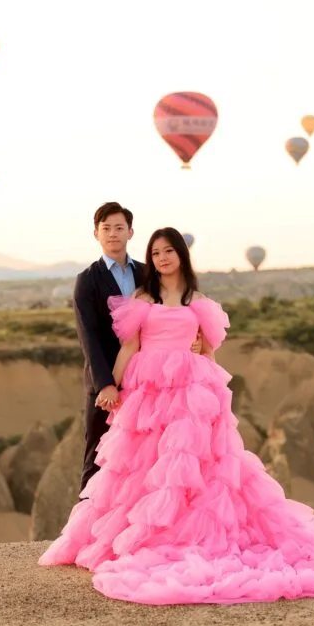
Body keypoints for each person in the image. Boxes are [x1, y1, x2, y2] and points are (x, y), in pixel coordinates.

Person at [40, 226, 314, 605]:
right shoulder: (140, 298)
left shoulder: (198, 301)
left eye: (168, 251)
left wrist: (197, 367)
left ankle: (189, 536)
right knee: (144, 469)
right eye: (155, 253)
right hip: (150, 392)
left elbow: (209, 352)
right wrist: (110, 390)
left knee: (191, 470)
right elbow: (130, 350)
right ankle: (141, 535)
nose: (162, 258)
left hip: (191, 394)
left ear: (181, 256)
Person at [71, 203, 200, 494]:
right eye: (106, 229)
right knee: (100, 457)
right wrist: (105, 384)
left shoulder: (149, 273)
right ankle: (85, 529)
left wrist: (191, 341)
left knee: (147, 458)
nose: (113, 234)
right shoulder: (88, 280)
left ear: (131, 232)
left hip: (151, 383)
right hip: (109, 383)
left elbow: (179, 307)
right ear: (96, 234)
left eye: (119, 228)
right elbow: (88, 338)